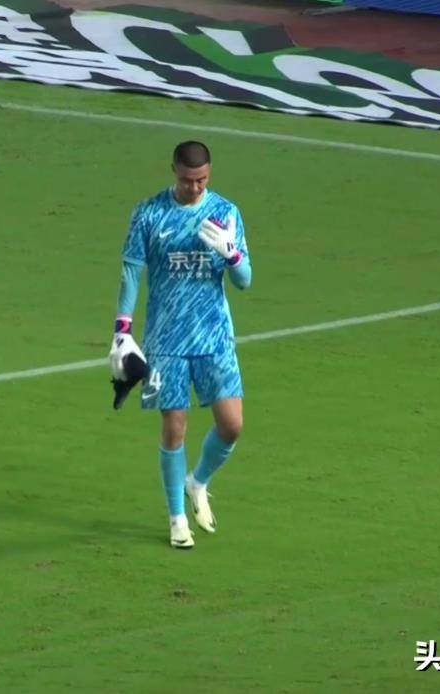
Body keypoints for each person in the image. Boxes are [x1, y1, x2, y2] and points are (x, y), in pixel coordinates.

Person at [109, 140, 252, 549]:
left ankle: (198, 481)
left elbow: (245, 282)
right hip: (166, 340)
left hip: (214, 337)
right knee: (174, 427)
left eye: (202, 180)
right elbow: (131, 273)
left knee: (232, 425)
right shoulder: (149, 213)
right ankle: (176, 519)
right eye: (188, 180)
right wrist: (122, 330)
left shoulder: (225, 213)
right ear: (174, 170)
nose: (194, 187)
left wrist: (232, 255)